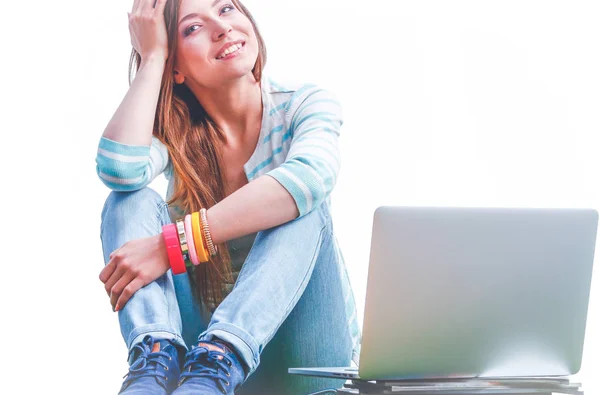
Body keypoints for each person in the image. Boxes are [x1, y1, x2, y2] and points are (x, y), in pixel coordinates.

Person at [96, 0, 361, 393]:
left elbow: (310, 177)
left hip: (306, 366)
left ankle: (225, 352)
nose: (221, 29)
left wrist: (173, 246)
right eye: (192, 29)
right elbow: (119, 168)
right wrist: (152, 58)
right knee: (127, 199)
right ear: (177, 67)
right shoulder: (176, 137)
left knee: (301, 203)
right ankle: (155, 358)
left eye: (226, 9)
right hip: (198, 370)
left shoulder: (303, 105)